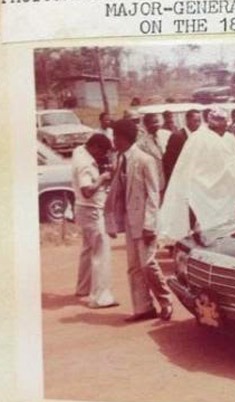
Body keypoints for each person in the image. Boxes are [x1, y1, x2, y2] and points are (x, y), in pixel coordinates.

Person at [104, 119, 173, 322]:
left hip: (144, 221)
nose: (113, 140)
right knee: (134, 267)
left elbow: (153, 194)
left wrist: (150, 224)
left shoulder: (144, 160)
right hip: (129, 219)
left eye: (115, 136)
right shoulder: (121, 159)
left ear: (124, 138)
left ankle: (166, 300)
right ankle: (144, 308)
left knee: (148, 264)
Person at [159, 108, 235, 241]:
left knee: (225, 227)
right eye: (222, 124)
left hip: (224, 191)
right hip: (203, 191)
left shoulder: (229, 139)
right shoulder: (198, 138)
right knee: (207, 225)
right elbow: (187, 165)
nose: (224, 127)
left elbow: (233, 163)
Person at [72, 133, 118, 309]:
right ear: (95, 147)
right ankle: (100, 297)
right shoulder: (86, 163)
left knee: (87, 249)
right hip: (90, 208)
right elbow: (87, 191)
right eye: (101, 153)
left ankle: (83, 288)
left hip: (83, 209)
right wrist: (102, 178)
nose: (101, 157)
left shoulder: (79, 151)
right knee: (101, 251)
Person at [162, 109, 201, 186]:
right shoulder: (177, 137)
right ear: (188, 120)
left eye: (199, 121)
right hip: (180, 178)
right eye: (195, 121)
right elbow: (168, 161)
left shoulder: (197, 136)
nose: (198, 124)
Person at [137, 113, 169, 193]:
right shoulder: (141, 143)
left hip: (168, 177)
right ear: (146, 124)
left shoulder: (166, 135)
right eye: (153, 122)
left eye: (157, 122)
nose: (156, 125)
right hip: (154, 180)